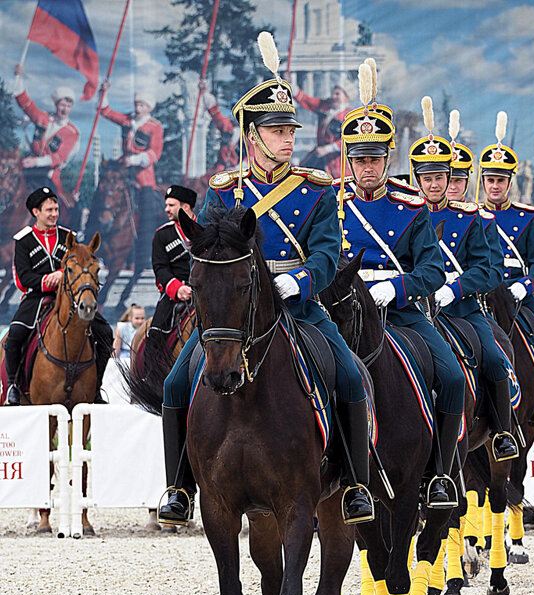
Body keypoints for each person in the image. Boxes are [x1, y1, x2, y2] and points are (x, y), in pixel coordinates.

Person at [159, 35, 373, 527]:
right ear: (252, 136)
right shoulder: (225, 190)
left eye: (290, 129)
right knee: (175, 383)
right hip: (236, 311)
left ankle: (357, 484)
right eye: (277, 130)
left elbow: (326, 253)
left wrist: (301, 281)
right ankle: (178, 487)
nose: (288, 137)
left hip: (298, 305)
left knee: (348, 372)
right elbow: (208, 251)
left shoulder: (316, 188)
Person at [338, 91, 465, 507]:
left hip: (402, 313)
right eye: (360, 159)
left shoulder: (411, 208)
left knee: (451, 377)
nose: (367, 167)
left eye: (374, 159)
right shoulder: (333, 206)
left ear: (387, 159)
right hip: (341, 312)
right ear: (350, 161)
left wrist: (394, 287)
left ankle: (440, 474)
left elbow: (432, 270)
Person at [409, 105, 517, 461]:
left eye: (442, 176)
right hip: (413, 308)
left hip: (462, 310)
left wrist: (454, 288)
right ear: (417, 179)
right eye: (429, 177)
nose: (437, 184)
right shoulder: (406, 214)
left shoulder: (472, 219)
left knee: (494, 360)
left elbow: (489, 271)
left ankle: (502, 431)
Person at [477, 116, 534, 432]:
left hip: (516, 293)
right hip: (480, 292)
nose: (495, 186)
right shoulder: (471, 216)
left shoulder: (526, 218)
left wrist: (526, 286)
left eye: (501, 180)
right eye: (490, 180)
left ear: (510, 182)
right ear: (482, 182)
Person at [4, 187, 113, 405]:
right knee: (15, 335)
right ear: (36, 212)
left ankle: (96, 387)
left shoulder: (67, 236)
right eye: (49, 210)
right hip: (37, 298)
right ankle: (14, 386)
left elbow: (82, 263)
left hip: (71, 297)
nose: (54, 214)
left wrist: (64, 275)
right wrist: (47, 280)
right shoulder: (24, 240)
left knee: (105, 333)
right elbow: (22, 278)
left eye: (56, 209)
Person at [100, 82, 165, 271]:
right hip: (122, 171)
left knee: (146, 215)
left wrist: (135, 160)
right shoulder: (127, 120)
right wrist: (104, 91)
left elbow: (155, 153)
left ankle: (144, 256)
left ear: (148, 108)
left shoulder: (155, 127)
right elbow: (106, 111)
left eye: (142, 105)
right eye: (137, 104)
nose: (138, 108)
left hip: (143, 176)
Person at [12, 64, 80, 197]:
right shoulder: (42, 117)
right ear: (56, 105)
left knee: (52, 202)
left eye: (68, 106)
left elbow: (59, 157)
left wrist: (36, 162)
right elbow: (25, 103)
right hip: (27, 166)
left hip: (49, 175)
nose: (64, 109)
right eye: (62, 105)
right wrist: (18, 77)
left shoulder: (72, 132)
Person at [148, 185, 197, 339]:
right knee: (155, 334)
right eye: (166, 205)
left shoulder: (206, 228)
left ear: (186, 206)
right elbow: (160, 267)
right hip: (175, 292)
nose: (166, 209)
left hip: (205, 289)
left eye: (171, 205)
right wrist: (178, 289)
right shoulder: (162, 235)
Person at [293, 83, 352, 177]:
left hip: (337, 159)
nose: (333, 97)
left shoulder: (350, 116)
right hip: (320, 154)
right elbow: (307, 101)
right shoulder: (325, 107)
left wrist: (327, 149)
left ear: (347, 97)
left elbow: (350, 139)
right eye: (333, 93)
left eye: (337, 94)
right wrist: (291, 84)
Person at [199, 80, 240, 173]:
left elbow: (251, 156)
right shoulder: (227, 124)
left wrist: (238, 168)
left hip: (240, 171)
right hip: (221, 168)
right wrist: (204, 92)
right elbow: (214, 112)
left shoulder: (251, 133)